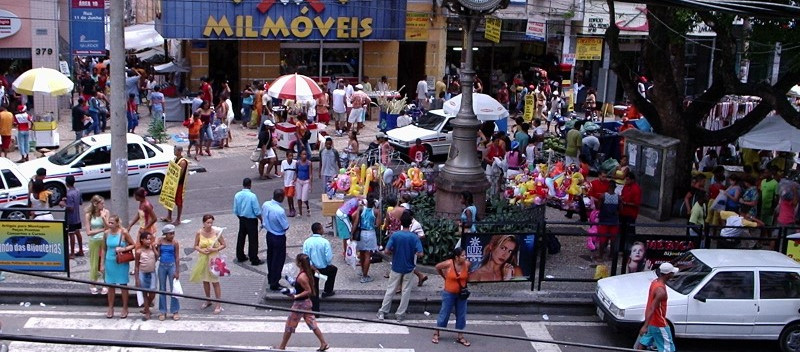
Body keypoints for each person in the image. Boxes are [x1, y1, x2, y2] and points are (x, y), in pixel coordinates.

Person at [377, 210, 424, 322]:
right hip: (409, 267)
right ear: (411, 224)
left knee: (390, 289)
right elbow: (420, 253)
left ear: (401, 222)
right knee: (406, 291)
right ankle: (400, 314)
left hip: (396, 266)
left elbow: (387, 251)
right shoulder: (414, 237)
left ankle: (383, 311)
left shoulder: (395, 235)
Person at [277, 253, 330, 351]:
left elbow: (308, 290)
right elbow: (300, 286)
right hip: (306, 303)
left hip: (300, 304)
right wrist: (292, 282)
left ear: (300, 263)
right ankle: (323, 343)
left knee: (290, 324)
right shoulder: (307, 271)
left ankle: (282, 347)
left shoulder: (302, 276)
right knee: (312, 324)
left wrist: (296, 295)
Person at [432, 247, 471, 347]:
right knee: (444, 312)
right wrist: (444, 277)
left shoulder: (467, 264)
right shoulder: (449, 264)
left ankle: (460, 335)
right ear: (457, 257)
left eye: (465, 255)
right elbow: (437, 267)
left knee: (461, 314)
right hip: (449, 293)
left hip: (461, 294)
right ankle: (437, 333)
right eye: (462, 255)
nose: (465, 257)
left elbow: (469, 275)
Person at [189, 214, 226, 314]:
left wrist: (214, 249)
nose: (209, 225)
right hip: (203, 258)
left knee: (215, 281)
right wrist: (201, 250)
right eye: (207, 223)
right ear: (203, 223)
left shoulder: (217, 232)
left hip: (214, 259)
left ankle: (218, 303)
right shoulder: (199, 232)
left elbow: (224, 244)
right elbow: (195, 246)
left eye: (211, 222)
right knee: (205, 280)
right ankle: (208, 299)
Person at [636, 263, 678, 352]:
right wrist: (645, 326)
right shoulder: (661, 291)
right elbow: (653, 308)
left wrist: (647, 324)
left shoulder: (655, 282)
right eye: (672, 273)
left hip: (652, 322)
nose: (673, 275)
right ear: (667, 274)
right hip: (659, 323)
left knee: (644, 343)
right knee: (668, 348)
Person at [100, 214, 135, 319]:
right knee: (110, 285)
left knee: (123, 284)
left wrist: (123, 249)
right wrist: (102, 264)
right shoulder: (106, 233)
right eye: (109, 222)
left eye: (112, 223)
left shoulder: (123, 232)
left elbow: (133, 244)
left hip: (121, 261)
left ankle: (125, 307)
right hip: (109, 261)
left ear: (117, 223)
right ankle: (110, 307)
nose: (109, 224)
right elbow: (104, 249)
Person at [303, 222, 338, 316]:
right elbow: (328, 257)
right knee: (333, 270)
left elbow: (305, 256)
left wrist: (312, 266)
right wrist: (328, 264)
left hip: (312, 269)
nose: (323, 230)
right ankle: (327, 290)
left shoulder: (307, 242)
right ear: (319, 230)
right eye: (322, 228)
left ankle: (315, 311)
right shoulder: (325, 242)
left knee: (314, 289)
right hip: (323, 267)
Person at [262, 189, 290, 291]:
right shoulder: (279, 211)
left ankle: (271, 277)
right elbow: (285, 226)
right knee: (278, 260)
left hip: (269, 234)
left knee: (271, 257)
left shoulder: (266, 204)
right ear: (280, 197)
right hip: (278, 236)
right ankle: (274, 282)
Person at [233, 178, 263, 265]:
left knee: (241, 237)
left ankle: (240, 255)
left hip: (242, 218)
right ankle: (254, 258)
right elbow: (256, 210)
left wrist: (240, 216)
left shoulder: (237, 195)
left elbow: (235, 209)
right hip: (251, 219)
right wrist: (261, 219)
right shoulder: (252, 196)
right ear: (250, 185)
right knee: (253, 239)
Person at [155, 224, 181, 321]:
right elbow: (157, 255)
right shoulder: (161, 242)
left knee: (173, 288)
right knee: (162, 288)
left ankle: (175, 310)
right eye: (170, 234)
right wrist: (155, 246)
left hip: (171, 266)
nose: (172, 235)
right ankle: (163, 311)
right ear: (165, 234)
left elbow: (177, 257)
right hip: (162, 265)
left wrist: (177, 270)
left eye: (173, 233)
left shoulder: (175, 243)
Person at [85, 195, 110, 295]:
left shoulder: (106, 212)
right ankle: (93, 283)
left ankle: (106, 283)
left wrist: (103, 218)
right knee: (94, 262)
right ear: (95, 204)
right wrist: (101, 230)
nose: (103, 205)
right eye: (101, 203)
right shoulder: (89, 215)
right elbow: (88, 232)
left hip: (104, 239)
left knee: (104, 262)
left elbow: (108, 227)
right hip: (94, 240)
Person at [352, 195, 380, 282]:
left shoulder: (361, 209)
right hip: (371, 233)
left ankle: (362, 270)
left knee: (362, 253)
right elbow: (378, 225)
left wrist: (352, 233)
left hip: (361, 233)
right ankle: (365, 275)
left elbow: (356, 222)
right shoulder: (376, 211)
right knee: (368, 255)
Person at [134, 231, 158, 321]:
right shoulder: (138, 251)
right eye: (147, 239)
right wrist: (137, 279)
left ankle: (146, 306)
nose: (149, 241)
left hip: (152, 272)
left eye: (150, 239)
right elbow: (136, 266)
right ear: (142, 240)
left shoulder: (152, 249)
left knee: (153, 292)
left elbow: (157, 257)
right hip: (143, 273)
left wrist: (154, 249)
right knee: (144, 292)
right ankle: (147, 311)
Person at [593, 180, 620, 263]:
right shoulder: (618, 197)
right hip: (614, 220)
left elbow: (599, 207)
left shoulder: (603, 196)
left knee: (602, 238)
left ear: (608, 187)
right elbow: (620, 209)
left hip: (604, 220)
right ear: (615, 187)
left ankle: (600, 256)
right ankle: (611, 255)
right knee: (613, 239)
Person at [163, 146, 189, 225]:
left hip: (179, 184)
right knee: (169, 199)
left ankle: (178, 219)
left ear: (180, 151)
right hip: (172, 183)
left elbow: (179, 174)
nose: (174, 152)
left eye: (175, 150)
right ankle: (169, 216)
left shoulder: (182, 162)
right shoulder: (175, 159)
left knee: (179, 201)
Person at [61, 175, 83, 258]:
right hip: (77, 217)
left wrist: (63, 204)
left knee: (71, 234)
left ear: (66, 183)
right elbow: (80, 202)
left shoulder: (69, 194)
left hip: (71, 218)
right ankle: (81, 250)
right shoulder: (78, 191)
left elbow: (70, 208)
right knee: (78, 233)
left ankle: (72, 253)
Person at [620, 173, 642, 242]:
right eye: (626, 180)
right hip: (623, 212)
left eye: (628, 180)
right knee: (622, 230)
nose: (626, 181)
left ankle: (631, 244)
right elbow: (622, 195)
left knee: (630, 230)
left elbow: (636, 203)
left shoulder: (636, 189)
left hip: (631, 214)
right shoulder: (626, 186)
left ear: (632, 180)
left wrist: (626, 203)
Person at [280, 150, 298, 217]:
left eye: (292, 156)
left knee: (290, 195)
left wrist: (295, 179)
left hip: (292, 182)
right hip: (286, 182)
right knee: (288, 196)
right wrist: (281, 174)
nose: (291, 157)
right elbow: (282, 171)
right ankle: (290, 208)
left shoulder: (295, 163)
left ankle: (292, 208)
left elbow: (297, 172)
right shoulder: (283, 162)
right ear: (286, 156)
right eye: (289, 156)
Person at [296, 150, 313, 217]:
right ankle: (300, 212)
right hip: (299, 181)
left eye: (305, 154)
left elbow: (310, 174)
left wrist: (310, 184)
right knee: (299, 197)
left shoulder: (309, 163)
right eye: (303, 154)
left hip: (306, 181)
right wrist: (295, 179)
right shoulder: (297, 163)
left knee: (304, 198)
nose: (304, 156)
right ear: (300, 155)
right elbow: (296, 172)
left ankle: (308, 207)